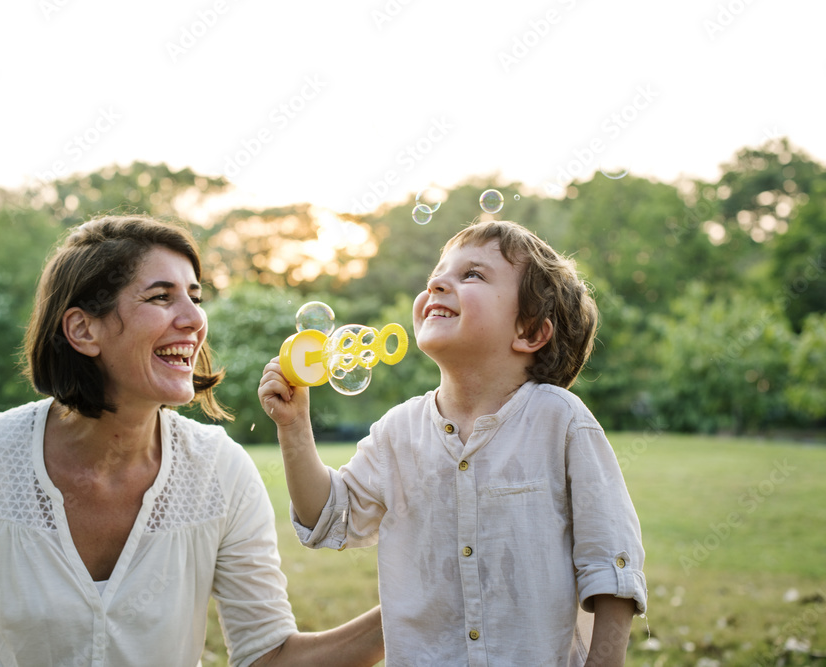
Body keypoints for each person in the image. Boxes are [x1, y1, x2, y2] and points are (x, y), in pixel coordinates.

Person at [0, 215, 384, 667]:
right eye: (161, 297)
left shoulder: (222, 472)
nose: (194, 319)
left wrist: (421, 601)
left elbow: (269, 657)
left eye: (195, 297)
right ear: (83, 330)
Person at [259, 219, 647, 666]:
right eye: (436, 277)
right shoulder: (397, 431)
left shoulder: (560, 420)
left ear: (530, 332)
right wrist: (293, 427)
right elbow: (327, 516)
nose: (438, 284)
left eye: (473, 275)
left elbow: (611, 561)